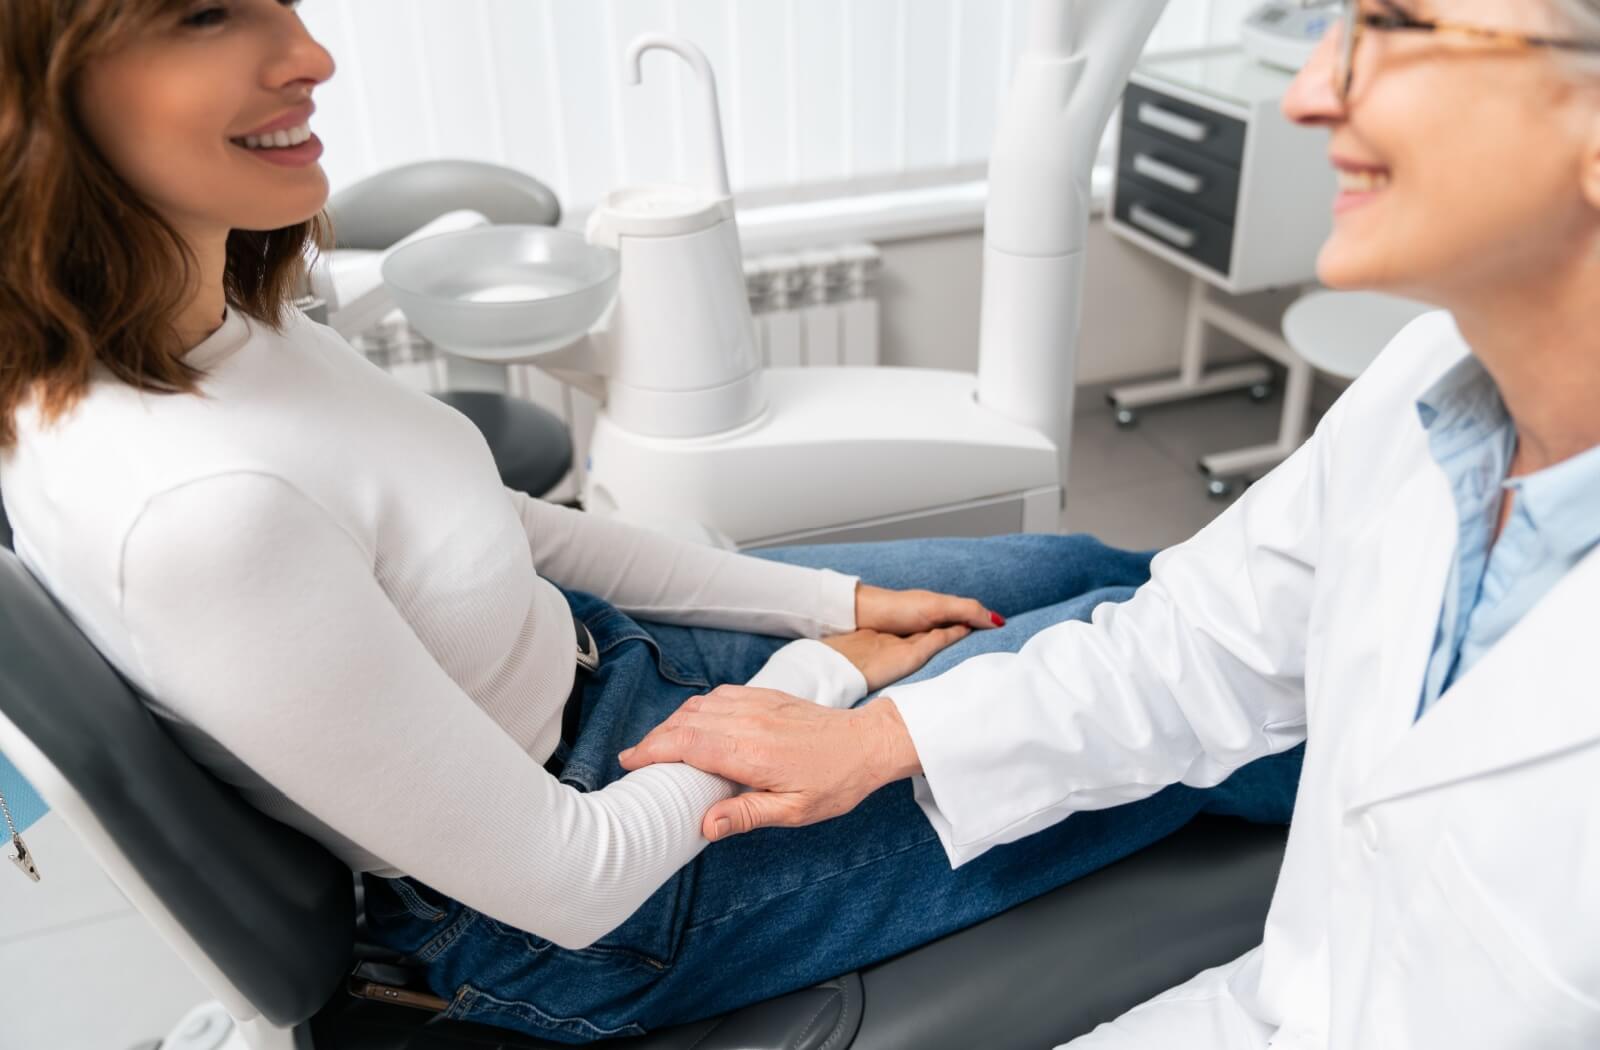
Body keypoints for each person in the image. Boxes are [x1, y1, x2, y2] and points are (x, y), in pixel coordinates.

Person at [0, 0, 1303, 1043]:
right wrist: (824, 680)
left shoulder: (216, 317)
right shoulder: (194, 509)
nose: (311, 50)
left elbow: (499, 522)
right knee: (1199, 700)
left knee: (1087, 571)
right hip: (607, 902)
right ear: (28, 107)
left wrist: (827, 605)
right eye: (204, 14)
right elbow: (569, 879)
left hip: (621, 672)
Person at [621, 1, 1600, 1046]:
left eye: (1397, 27)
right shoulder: (1417, 398)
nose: (1312, 92)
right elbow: (1200, 644)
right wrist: (880, 735)